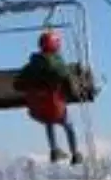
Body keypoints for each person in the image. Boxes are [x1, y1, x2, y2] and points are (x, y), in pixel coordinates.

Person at [14, 30, 83, 164]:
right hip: (57, 109)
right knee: (69, 124)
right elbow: (70, 85)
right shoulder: (58, 65)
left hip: (37, 110)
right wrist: (74, 93)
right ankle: (75, 153)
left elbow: (17, 84)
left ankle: (54, 150)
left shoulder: (31, 66)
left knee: (48, 119)